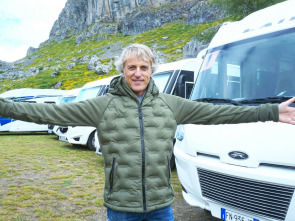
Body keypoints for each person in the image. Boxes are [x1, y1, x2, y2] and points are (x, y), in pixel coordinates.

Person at [1, 43, 295, 221]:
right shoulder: (103, 106)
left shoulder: (171, 104)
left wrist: (271, 111)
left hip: (161, 206)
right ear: (123, 71)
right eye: (132, 67)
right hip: (121, 206)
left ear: (152, 70)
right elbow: (48, 112)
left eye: (144, 67)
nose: (138, 73)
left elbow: (220, 113)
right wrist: (6, 107)